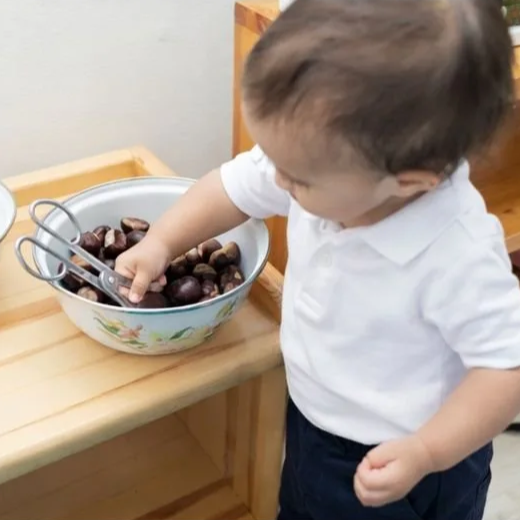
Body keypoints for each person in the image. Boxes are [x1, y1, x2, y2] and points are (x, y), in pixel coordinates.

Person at [115, 0, 520, 518]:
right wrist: (161, 242)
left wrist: (427, 452)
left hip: (408, 460)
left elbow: (504, 369)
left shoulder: (456, 252)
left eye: (296, 178)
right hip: (314, 422)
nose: (277, 179)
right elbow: (233, 186)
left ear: (411, 180)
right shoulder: (322, 159)